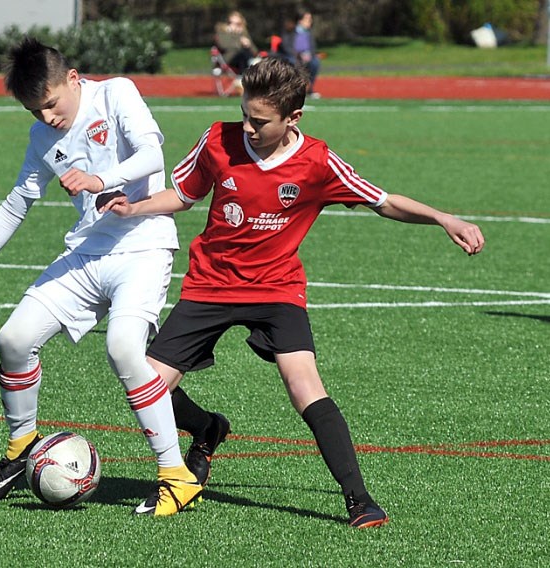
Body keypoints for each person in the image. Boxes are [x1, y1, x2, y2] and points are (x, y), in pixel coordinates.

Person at [99, 57, 485, 528]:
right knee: (145, 385)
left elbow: (383, 201)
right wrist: (134, 207)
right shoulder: (217, 141)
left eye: (259, 121)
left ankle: (360, 499)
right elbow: (184, 195)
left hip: (277, 286)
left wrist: (445, 217)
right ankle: (206, 428)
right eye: (244, 114)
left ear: (292, 118)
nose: (248, 126)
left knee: (304, 385)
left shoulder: (317, 161)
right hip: (211, 283)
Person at [0, 37, 202, 516]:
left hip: (142, 246)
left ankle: (174, 474)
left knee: (123, 346)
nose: (47, 119)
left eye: (52, 105)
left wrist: (101, 180)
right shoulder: (43, 137)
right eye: (34, 111)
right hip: (86, 252)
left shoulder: (115, 93)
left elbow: (152, 154)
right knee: (14, 338)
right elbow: (15, 204)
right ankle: (22, 446)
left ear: (74, 79)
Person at [280, 10, 321, 97]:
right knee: (293, 62)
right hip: (293, 56)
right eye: (307, 19)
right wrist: (298, 55)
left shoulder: (309, 33)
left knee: (315, 62)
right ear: (300, 20)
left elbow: (312, 48)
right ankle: (294, 89)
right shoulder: (290, 31)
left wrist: (310, 55)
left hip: (307, 57)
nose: (310, 21)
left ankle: (309, 89)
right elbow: (286, 46)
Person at [214, 10, 259, 76]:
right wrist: (234, 35)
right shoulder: (222, 31)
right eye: (230, 23)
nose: (233, 25)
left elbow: (255, 51)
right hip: (229, 58)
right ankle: (244, 75)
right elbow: (224, 46)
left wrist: (249, 45)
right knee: (241, 54)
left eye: (237, 24)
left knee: (244, 54)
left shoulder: (243, 33)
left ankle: (249, 68)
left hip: (245, 57)